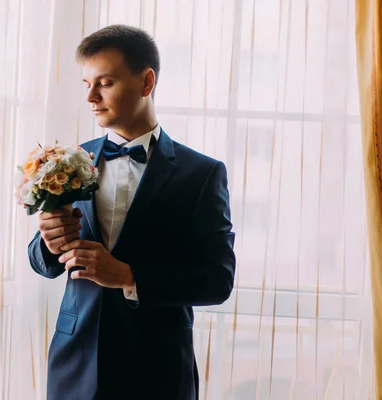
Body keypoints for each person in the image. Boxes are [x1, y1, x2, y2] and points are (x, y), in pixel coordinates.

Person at [28, 24, 236, 400]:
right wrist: (48, 243)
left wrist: (128, 276)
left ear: (146, 83)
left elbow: (218, 280)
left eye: (104, 83)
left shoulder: (202, 174)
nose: (91, 96)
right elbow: (43, 262)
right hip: (75, 362)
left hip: (157, 367)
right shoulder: (66, 162)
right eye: (86, 84)